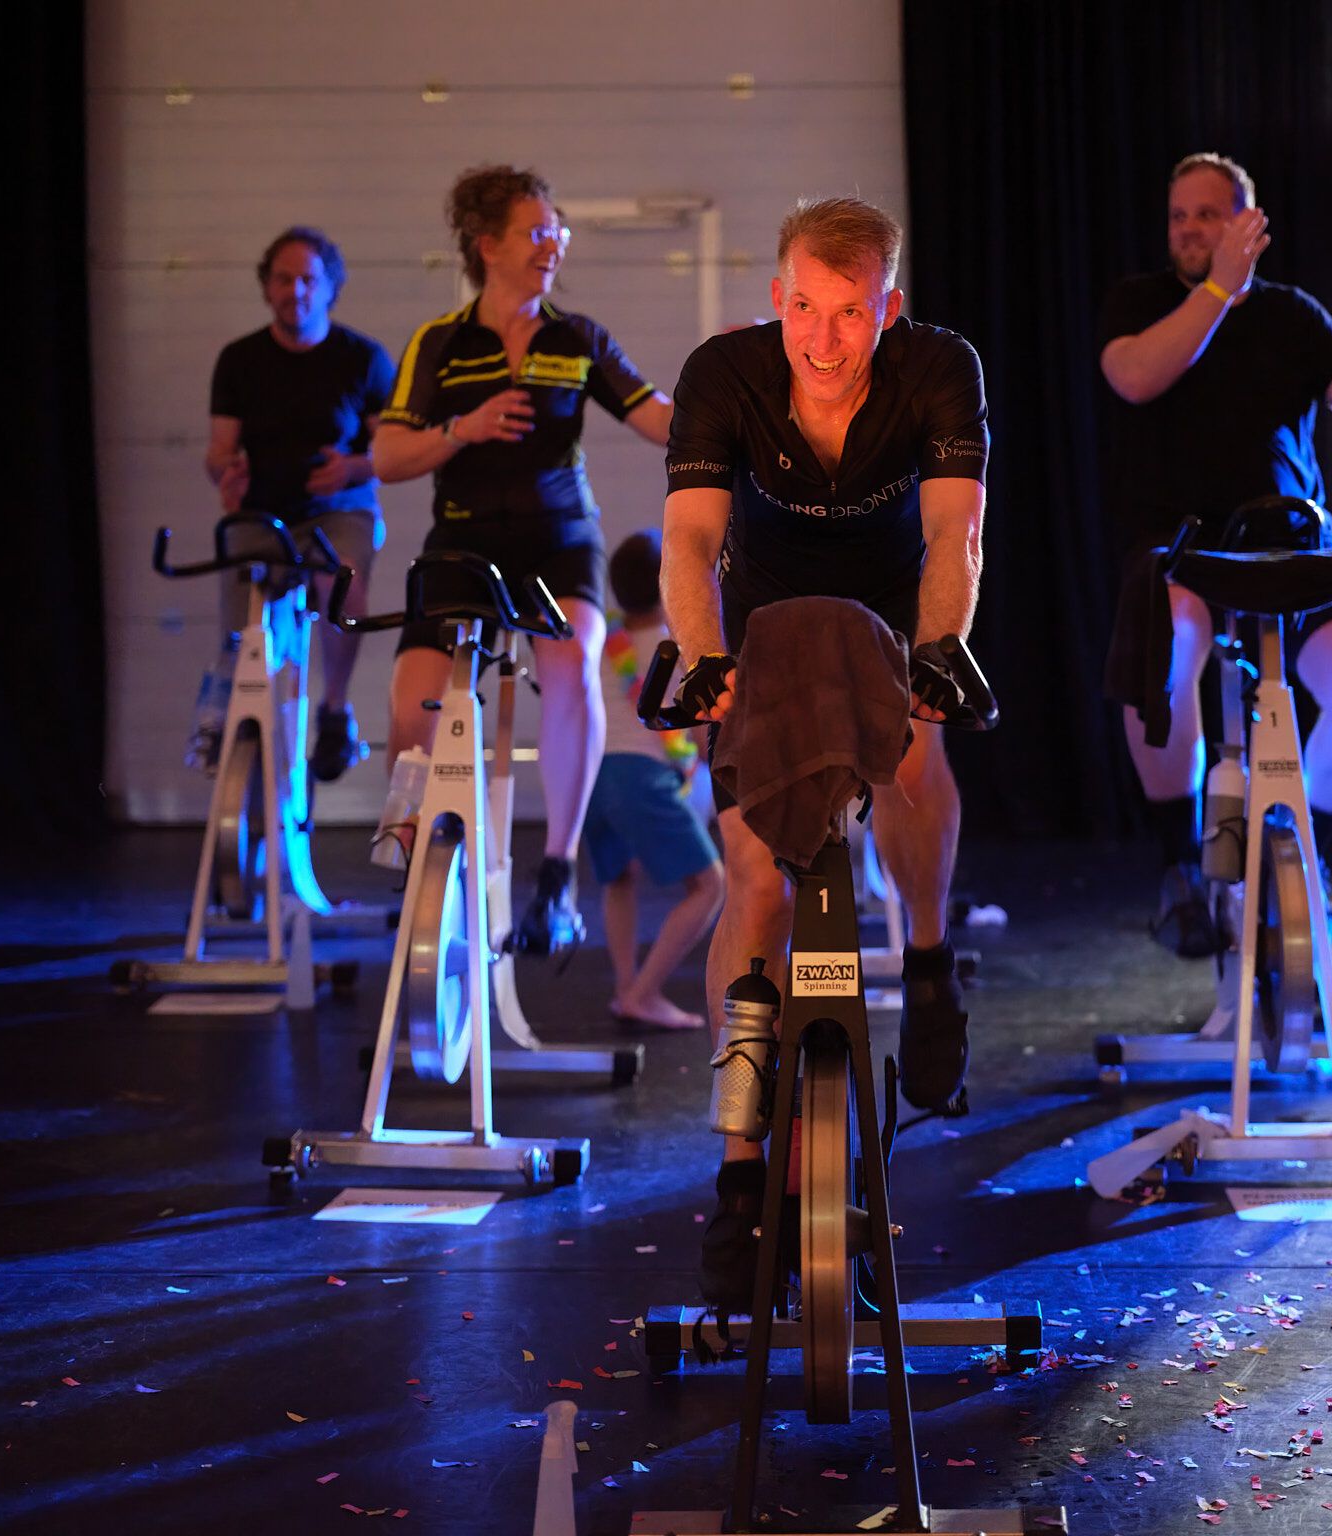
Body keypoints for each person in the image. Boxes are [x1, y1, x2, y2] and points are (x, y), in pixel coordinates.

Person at [659, 196, 989, 1306]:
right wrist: (703, 657)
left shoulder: (938, 367)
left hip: (894, 618)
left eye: (850, 313)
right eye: (805, 307)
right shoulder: (724, 374)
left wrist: (938, 654)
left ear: (886, 311)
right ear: (777, 298)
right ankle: (738, 1166)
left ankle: (929, 963)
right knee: (754, 882)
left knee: (915, 766)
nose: (824, 337)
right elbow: (689, 541)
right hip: (762, 630)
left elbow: (955, 532)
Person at [1098, 153, 1332, 952]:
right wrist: (1217, 292)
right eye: (1179, 216)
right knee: (1166, 646)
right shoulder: (1142, 301)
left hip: (1289, 541)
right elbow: (1134, 376)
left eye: (1207, 214)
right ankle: (1181, 860)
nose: (1189, 228)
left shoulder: (1289, 312)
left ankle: (1300, 854)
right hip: (1183, 546)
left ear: (1247, 221)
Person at [372, 164, 674, 956]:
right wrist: (460, 430)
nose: (554, 244)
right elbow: (387, 456)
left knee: (572, 661)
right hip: (463, 538)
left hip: (557, 536)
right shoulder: (440, 342)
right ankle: (415, 859)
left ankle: (556, 876)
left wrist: (745, 406)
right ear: (488, 245)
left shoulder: (579, 340)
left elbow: (660, 420)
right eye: (537, 232)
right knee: (411, 703)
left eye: (557, 230)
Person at [201, 226, 394, 779]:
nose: (296, 292)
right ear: (267, 288)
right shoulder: (239, 359)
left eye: (309, 280)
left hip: (340, 508)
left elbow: (391, 450)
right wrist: (227, 474)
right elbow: (219, 451)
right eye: (284, 280)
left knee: (342, 579)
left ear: (330, 287)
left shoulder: (363, 358)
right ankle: (226, 714)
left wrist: (351, 468)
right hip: (264, 510)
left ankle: (334, 709)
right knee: (242, 612)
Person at [585, 530, 724, 1029]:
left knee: (620, 879)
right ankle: (643, 994)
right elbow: (704, 738)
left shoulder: (602, 641)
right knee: (710, 886)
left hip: (592, 779)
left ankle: (626, 985)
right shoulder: (678, 646)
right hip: (640, 777)